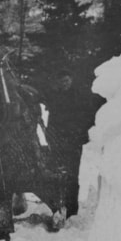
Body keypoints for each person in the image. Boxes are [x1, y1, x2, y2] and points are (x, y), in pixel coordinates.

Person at [44, 69, 98, 217]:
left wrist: (79, 135)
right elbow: (52, 119)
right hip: (57, 141)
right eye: (62, 81)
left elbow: (86, 118)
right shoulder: (55, 97)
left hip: (73, 142)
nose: (64, 84)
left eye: (67, 81)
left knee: (72, 175)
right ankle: (57, 207)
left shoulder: (79, 97)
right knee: (56, 175)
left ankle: (72, 210)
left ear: (71, 80)